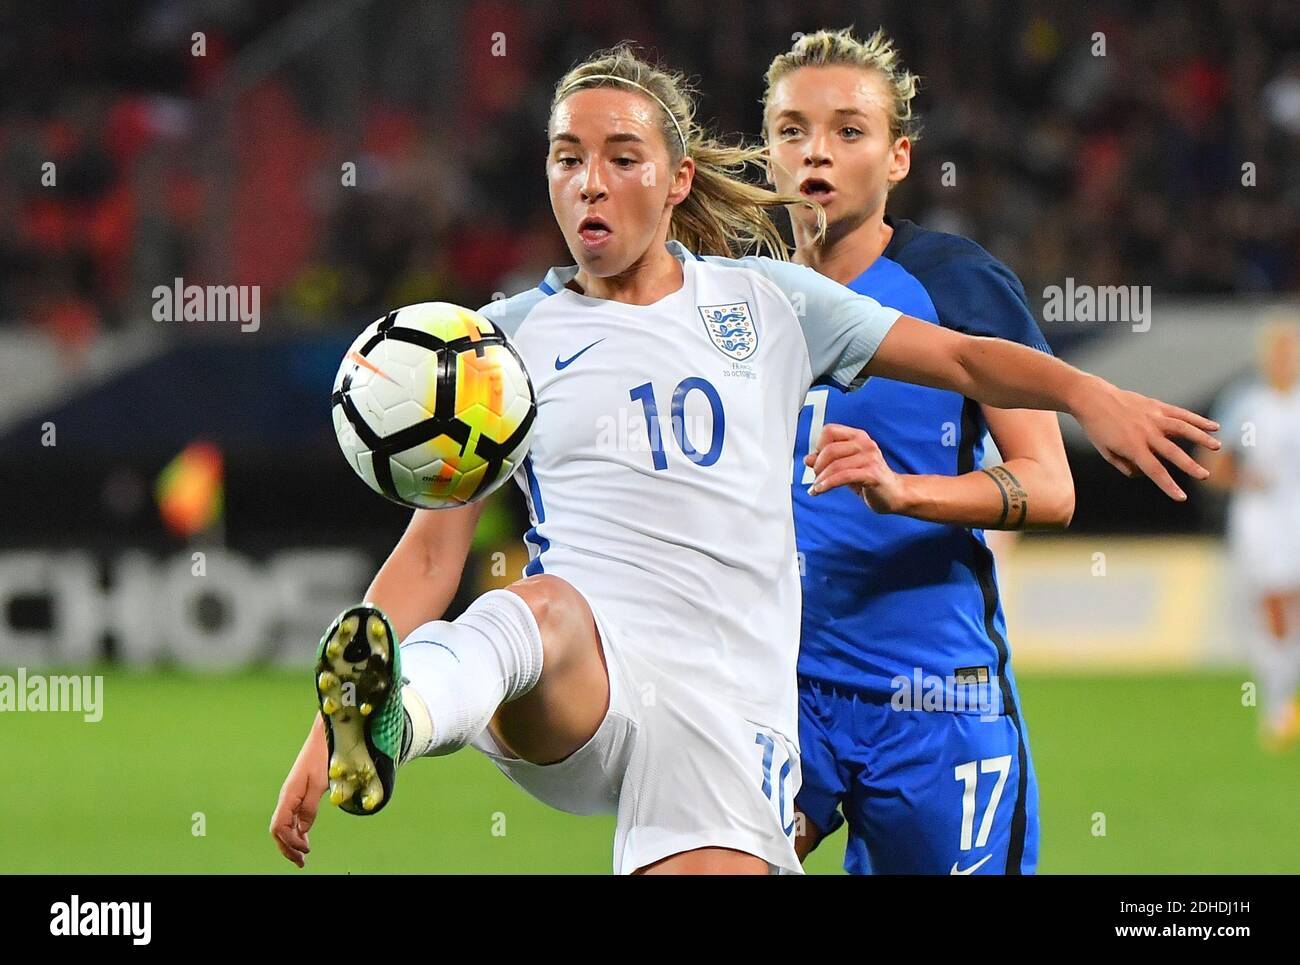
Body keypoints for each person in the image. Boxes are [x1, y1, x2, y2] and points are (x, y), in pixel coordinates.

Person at [270, 43, 1218, 876]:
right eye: (567, 159)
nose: (589, 182)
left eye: (620, 157)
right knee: (539, 609)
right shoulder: (498, 350)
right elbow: (432, 556)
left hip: (736, 704)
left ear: (678, 179)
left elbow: (968, 361)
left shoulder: (769, 303)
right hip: (589, 681)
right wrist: (329, 728)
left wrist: (1092, 395)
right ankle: (399, 720)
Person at [760, 26, 1070, 875]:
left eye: (848, 131)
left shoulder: (957, 284)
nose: (816, 151)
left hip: (933, 698)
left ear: (898, 157)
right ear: (767, 151)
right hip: (778, 692)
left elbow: (1050, 484)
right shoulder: (735, 303)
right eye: (792, 130)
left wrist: (907, 491)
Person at [1204, 318, 1300, 750]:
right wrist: (1245, 479)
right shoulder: (1247, 403)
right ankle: (1277, 707)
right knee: (1275, 607)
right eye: (1278, 352)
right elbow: (1212, 463)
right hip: (1261, 520)